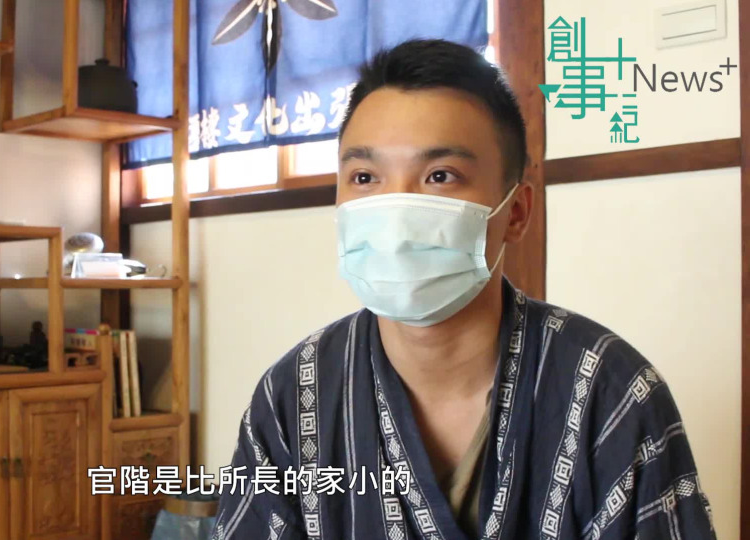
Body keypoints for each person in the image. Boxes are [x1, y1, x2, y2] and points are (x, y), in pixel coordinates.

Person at [210, 39, 716, 540]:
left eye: (440, 175)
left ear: (515, 213)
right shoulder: (293, 397)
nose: (396, 214)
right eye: (364, 177)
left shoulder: (612, 394)